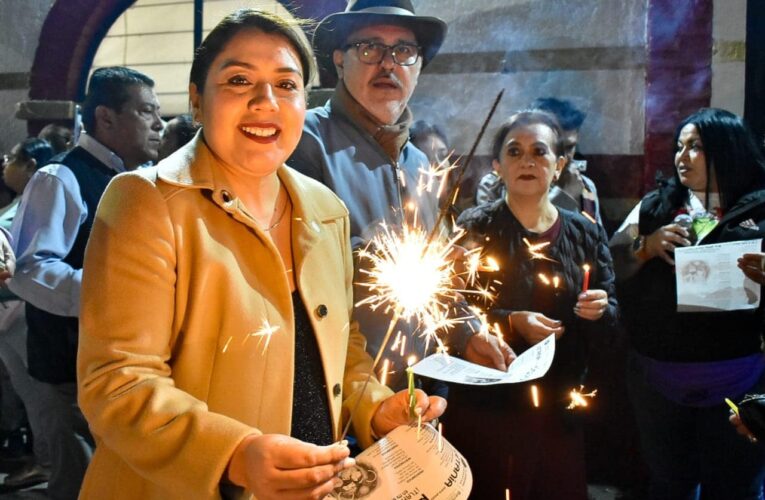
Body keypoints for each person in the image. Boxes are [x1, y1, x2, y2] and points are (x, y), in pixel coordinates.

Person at [77, 9, 445, 500]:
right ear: (197, 101)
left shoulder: (323, 208)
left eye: (286, 84)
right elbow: (118, 381)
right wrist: (234, 454)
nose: (265, 101)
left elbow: (343, 347)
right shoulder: (147, 201)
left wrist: (376, 406)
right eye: (238, 80)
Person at [288, 0, 512, 392]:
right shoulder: (305, 141)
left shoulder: (422, 163)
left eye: (404, 51)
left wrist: (468, 331)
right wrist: (391, 261)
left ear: (419, 66)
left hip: (423, 385)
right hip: (342, 391)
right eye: (370, 48)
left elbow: (440, 270)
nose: (388, 64)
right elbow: (302, 262)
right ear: (340, 58)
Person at [8, 66, 163, 500]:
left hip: (125, 363)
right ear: (105, 118)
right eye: (146, 111)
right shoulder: (61, 178)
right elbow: (32, 269)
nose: (159, 124)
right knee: (80, 483)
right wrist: (118, 294)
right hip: (70, 366)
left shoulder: (142, 178)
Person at [447, 110, 617, 500]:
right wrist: (510, 322)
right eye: (514, 151)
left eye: (539, 152)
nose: (527, 161)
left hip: (559, 407)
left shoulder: (586, 233)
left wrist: (601, 311)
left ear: (558, 166)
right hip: (488, 408)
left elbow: (613, 324)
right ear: (497, 167)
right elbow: (448, 312)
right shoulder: (473, 228)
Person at [609, 108, 765, 499]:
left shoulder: (760, 209)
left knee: (735, 487)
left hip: (740, 380)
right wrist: (645, 247)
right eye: (680, 146)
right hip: (659, 382)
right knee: (669, 484)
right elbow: (611, 260)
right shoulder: (655, 206)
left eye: (695, 147)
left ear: (726, 150)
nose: (682, 156)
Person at [0, 138, 56, 490]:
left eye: (13, 159)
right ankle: (44, 459)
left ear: (31, 165)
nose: (6, 164)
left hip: (19, 306)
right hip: (7, 308)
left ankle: (50, 461)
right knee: (24, 390)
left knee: (39, 394)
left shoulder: (34, 204)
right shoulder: (19, 201)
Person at [475, 98, 602, 225]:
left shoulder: (586, 187)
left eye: (569, 148)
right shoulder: (494, 185)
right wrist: (565, 197)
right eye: (541, 150)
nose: (564, 156)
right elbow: (505, 236)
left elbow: (596, 240)